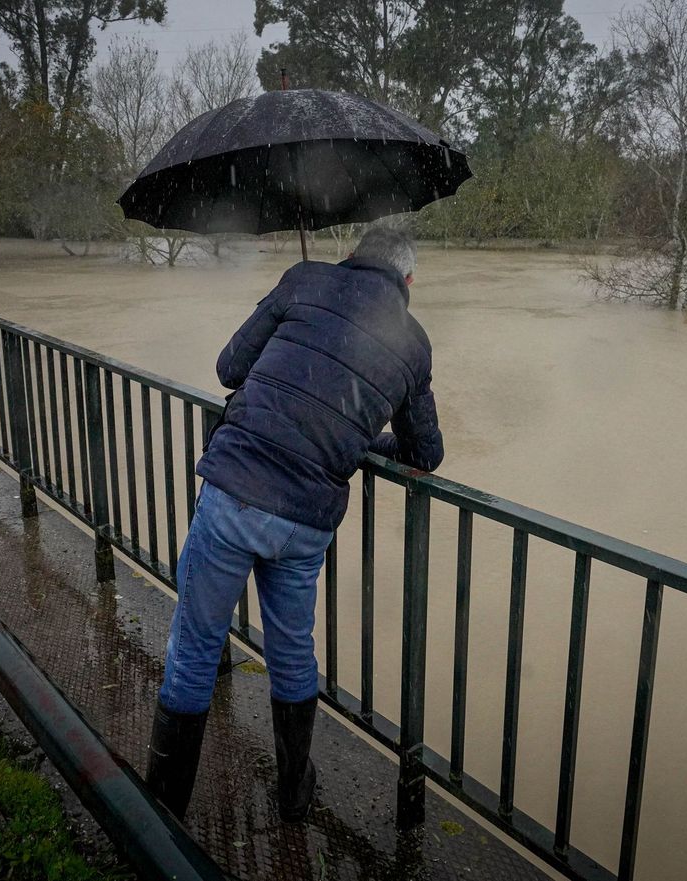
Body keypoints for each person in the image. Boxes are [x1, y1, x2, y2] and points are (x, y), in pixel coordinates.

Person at [146, 227, 444, 823]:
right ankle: (294, 793)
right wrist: (359, 438)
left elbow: (231, 367)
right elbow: (426, 453)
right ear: (407, 282)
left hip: (235, 493)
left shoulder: (304, 280)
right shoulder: (412, 344)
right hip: (306, 521)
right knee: (292, 652)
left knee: (198, 644)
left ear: (353, 256)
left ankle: (163, 807)